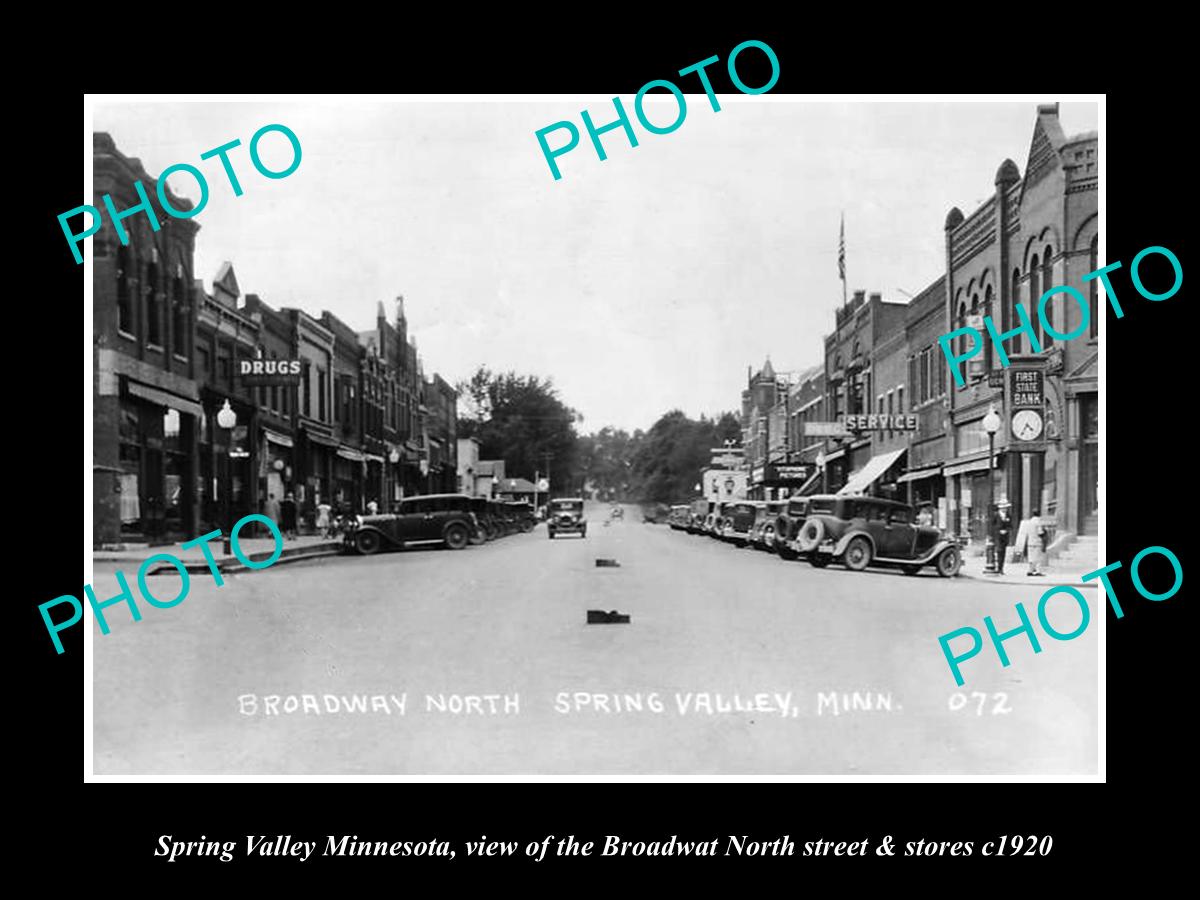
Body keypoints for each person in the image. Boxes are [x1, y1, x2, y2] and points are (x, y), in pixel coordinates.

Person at [1024, 505, 1046, 576]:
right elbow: (1040, 533)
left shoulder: (1029, 522)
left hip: (1030, 541)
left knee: (1031, 557)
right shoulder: (1038, 522)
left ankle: (1030, 570)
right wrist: (1044, 532)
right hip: (1037, 542)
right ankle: (1038, 571)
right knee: (1038, 557)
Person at [993, 502, 1012, 575]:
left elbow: (1010, 525)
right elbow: (992, 525)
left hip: (1005, 536)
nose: (1005, 509)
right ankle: (998, 567)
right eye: (1003, 508)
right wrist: (998, 531)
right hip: (998, 536)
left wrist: (1006, 530)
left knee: (1003, 552)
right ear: (1000, 508)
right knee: (999, 551)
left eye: (1006, 508)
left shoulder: (1008, 515)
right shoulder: (996, 515)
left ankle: (1001, 568)